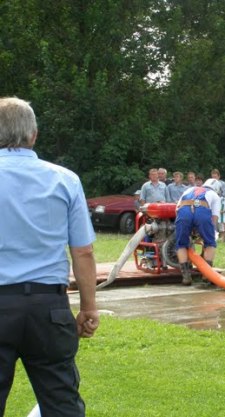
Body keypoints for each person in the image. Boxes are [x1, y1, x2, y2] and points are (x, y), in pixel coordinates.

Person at [0, 97, 99, 416]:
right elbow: (83, 251)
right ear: (34, 135)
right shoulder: (65, 179)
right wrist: (88, 307)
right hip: (48, 307)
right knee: (61, 403)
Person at [175, 178, 222, 285]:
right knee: (210, 243)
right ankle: (207, 275)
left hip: (184, 211)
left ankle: (186, 277)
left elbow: (177, 209)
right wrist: (210, 232)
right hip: (202, 211)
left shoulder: (189, 190)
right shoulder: (215, 195)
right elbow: (214, 218)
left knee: (181, 244)